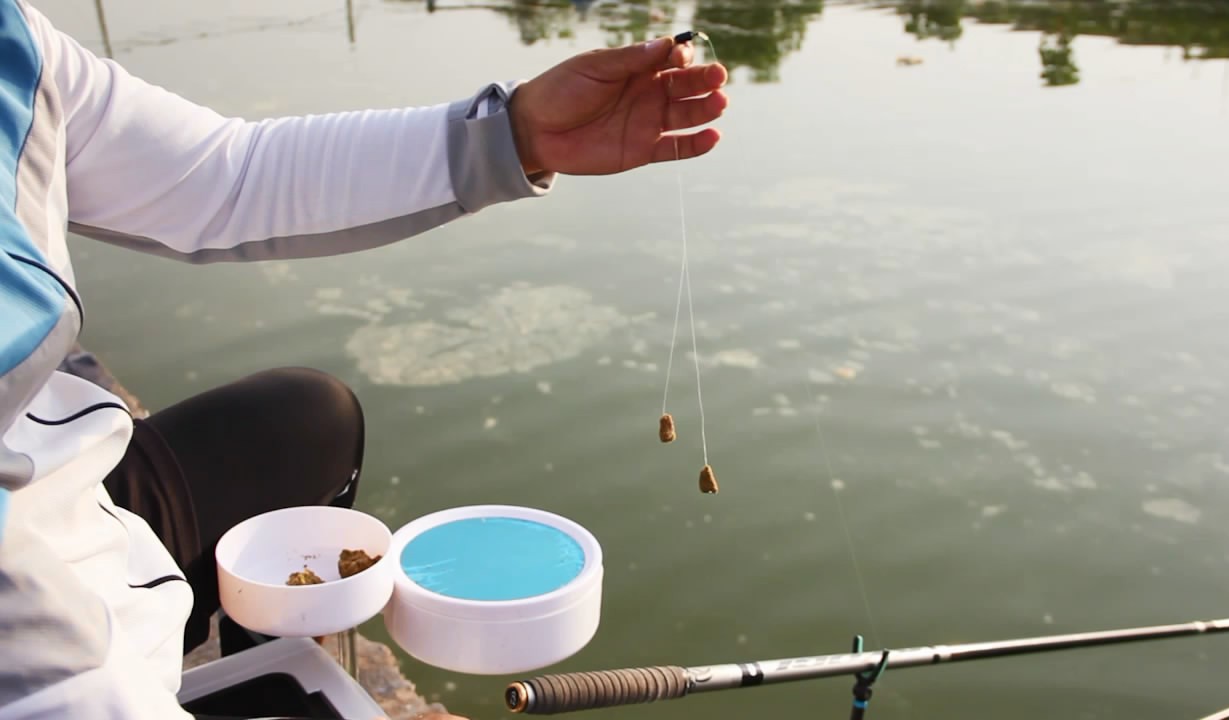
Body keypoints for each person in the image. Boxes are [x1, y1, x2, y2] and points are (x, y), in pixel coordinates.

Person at [0, 0, 729, 717]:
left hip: (51, 501)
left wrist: (517, 135)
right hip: (29, 621)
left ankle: (266, 667)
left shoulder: (17, 43)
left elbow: (225, 176)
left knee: (304, 422)